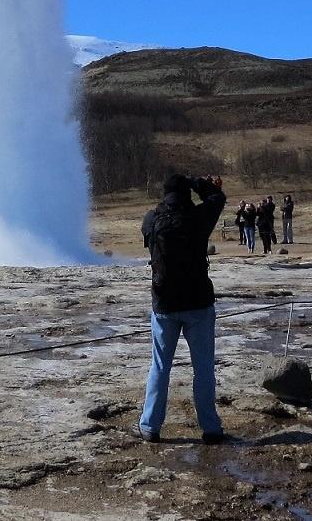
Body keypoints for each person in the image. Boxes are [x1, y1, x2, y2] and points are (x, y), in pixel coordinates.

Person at [138, 173, 228, 444]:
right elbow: (218, 198)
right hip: (198, 303)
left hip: (164, 305)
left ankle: (150, 426)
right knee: (203, 369)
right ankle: (210, 428)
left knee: (160, 366)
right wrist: (199, 182)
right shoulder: (199, 217)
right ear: (187, 193)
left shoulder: (151, 219)